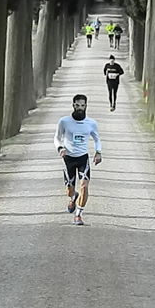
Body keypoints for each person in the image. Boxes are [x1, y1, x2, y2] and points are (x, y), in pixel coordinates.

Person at [54, 94, 102, 226]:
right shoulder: (64, 121)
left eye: (82, 105)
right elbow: (57, 137)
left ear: (86, 106)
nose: (80, 108)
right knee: (69, 189)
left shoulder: (91, 123)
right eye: (77, 105)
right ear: (73, 105)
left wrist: (98, 152)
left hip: (83, 158)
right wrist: (60, 148)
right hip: (68, 158)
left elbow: (97, 139)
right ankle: (73, 196)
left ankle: (78, 215)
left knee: (84, 186)